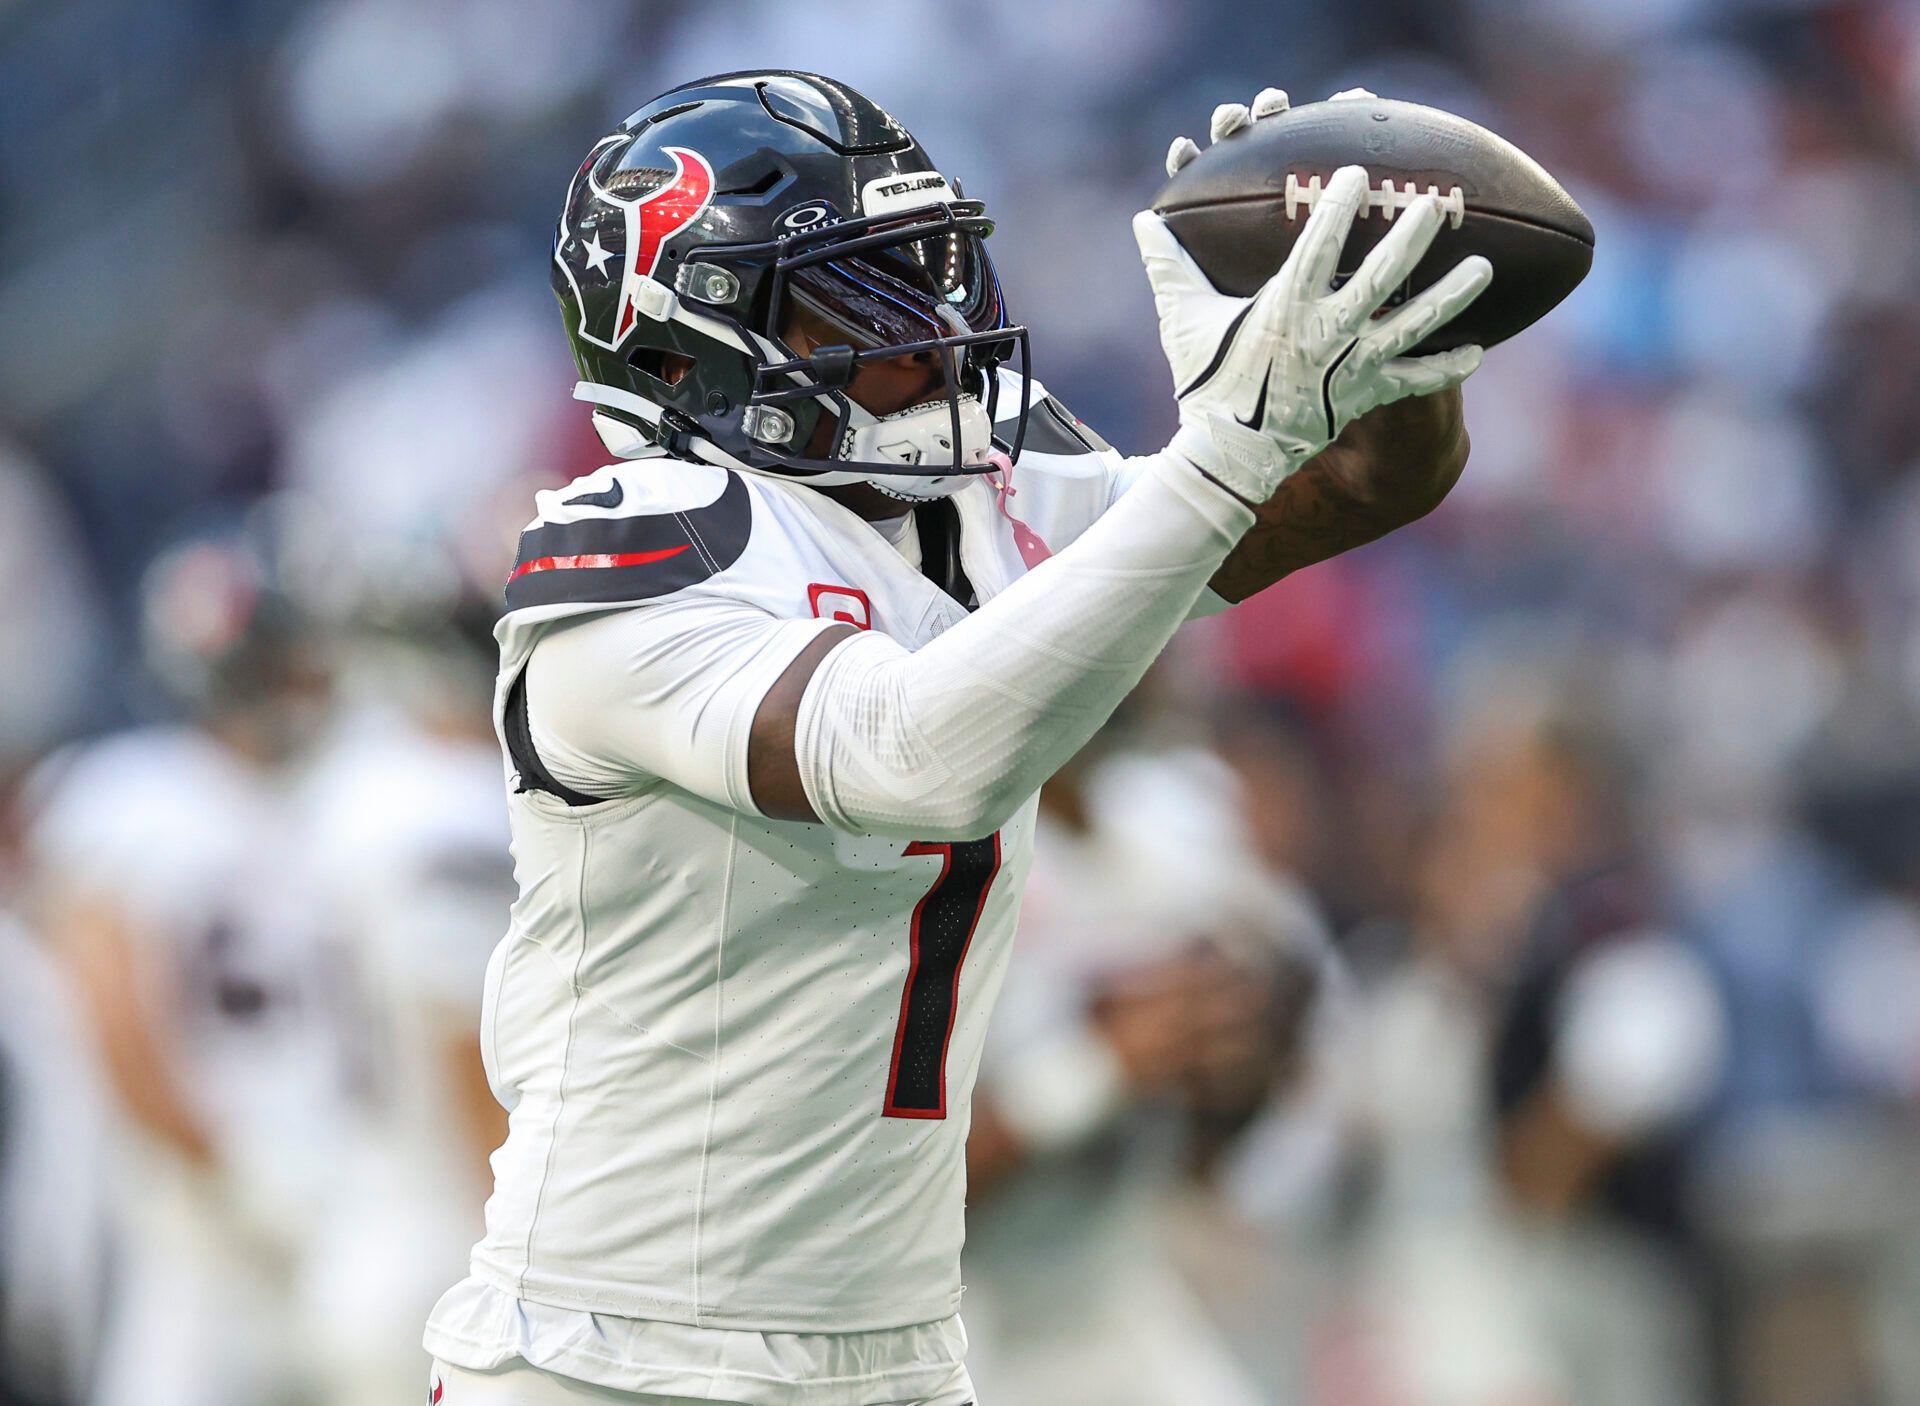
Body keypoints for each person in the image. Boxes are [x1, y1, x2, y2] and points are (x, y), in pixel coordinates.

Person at [423, 70, 1492, 1406]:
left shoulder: (985, 487)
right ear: (681, 341)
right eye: (853, 293)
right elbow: (909, 757)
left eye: (928, 270)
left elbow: (1342, 487)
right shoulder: (635, 544)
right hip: (614, 1355)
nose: (928, 332)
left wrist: (1383, 353)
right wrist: (1226, 447)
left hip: (904, 1351)